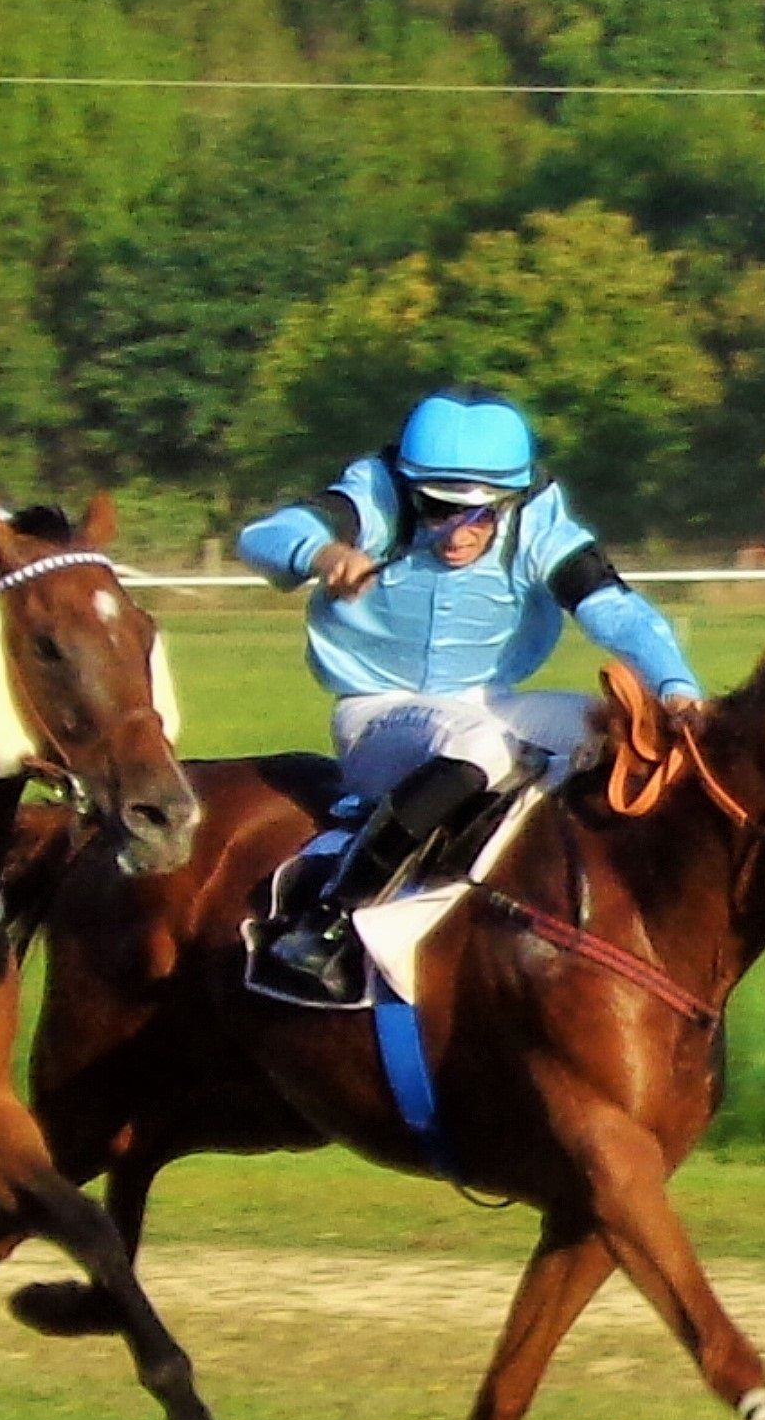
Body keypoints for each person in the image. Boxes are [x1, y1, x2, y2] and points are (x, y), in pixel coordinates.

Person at [236, 388, 703, 996]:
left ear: (510, 500)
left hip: (488, 697)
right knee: (481, 744)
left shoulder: (537, 518)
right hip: (377, 711)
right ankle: (327, 920)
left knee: (612, 732)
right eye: (437, 510)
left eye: (480, 516)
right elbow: (265, 536)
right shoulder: (373, 495)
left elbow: (615, 609)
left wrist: (676, 687)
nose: (456, 534)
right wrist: (323, 552)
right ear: (410, 491)